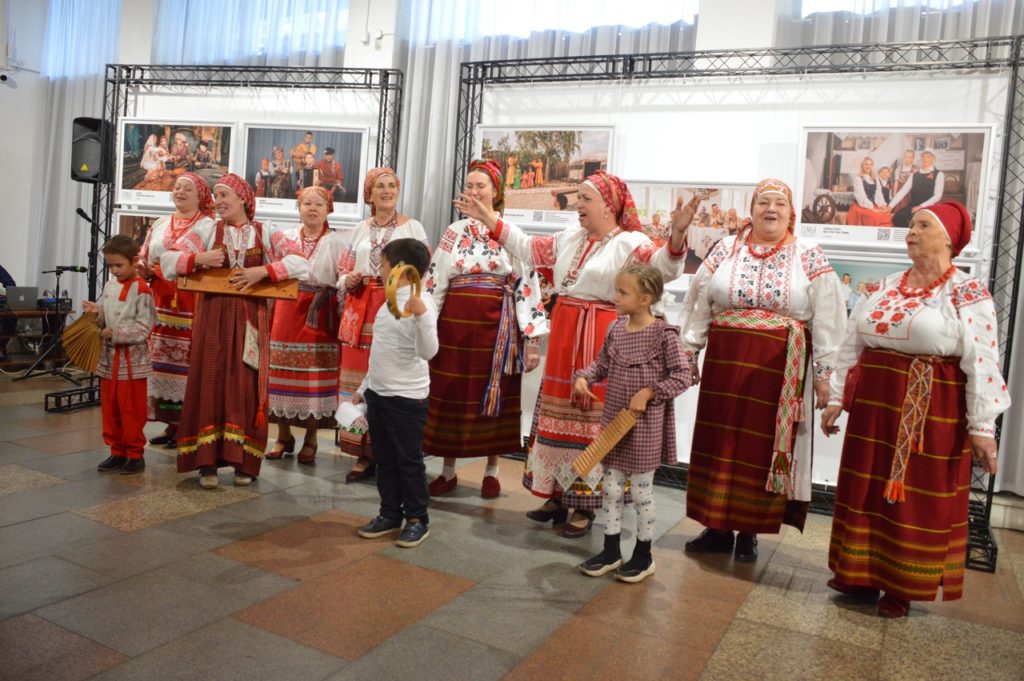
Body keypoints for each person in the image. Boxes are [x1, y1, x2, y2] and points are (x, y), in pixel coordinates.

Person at [455, 170, 696, 538]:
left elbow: (664, 269)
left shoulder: (630, 243)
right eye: (579, 198)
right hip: (568, 331)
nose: (577, 204)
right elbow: (527, 248)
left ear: (609, 205)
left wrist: (677, 234)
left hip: (601, 335)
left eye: (585, 199)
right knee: (556, 410)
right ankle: (556, 494)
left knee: (591, 418)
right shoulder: (571, 237)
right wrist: (487, 216)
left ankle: (585, 505)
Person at [821, 201, 1008, 618]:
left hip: (930, 409)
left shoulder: (966, 292)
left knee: (911, 497)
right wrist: (836, 397)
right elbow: (852, 342)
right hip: (875, 404)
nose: (912, 231)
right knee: (867, 487)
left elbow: (982, 361)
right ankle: (858, 573)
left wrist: (982, 426)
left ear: (949, 238)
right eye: (910, 225)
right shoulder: (886, 284)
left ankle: (900, 585)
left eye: (924, 225)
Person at [679, 179, 846, 562]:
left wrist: (825, 374)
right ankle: (716, 525)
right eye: (763, 203)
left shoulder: (809, 254)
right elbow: (699, 302)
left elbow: (828, 316)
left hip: (779, 369)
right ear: (751, 210)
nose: (771, 210)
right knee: (721, 444)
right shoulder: (726, 248)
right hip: (725, 364)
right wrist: (688, 352)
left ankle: (750, 529)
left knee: (761, 447)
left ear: (790, 214)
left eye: (780, 204)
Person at [162, 173, 308, 489]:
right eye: (216, 195)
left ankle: (245, 463)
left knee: (246, 383)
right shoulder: (206, 229)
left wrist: (263, 271)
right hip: (212, 317)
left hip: (250, 320)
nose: (219, 201)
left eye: (225, 194)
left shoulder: (264, 231)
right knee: (210, 381)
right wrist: (199, 258)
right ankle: (207, 463)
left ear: (243, 198)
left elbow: (301, 263)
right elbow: (167, 261)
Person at [423, 160, 548, 500]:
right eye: (470, 185)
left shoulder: (509, 233)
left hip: (499, 330)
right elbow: (435, 282)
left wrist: (532, 340)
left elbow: (527, 285)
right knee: (452, 394)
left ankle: (491, 472)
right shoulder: (454, 231)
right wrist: (425, 327)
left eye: (482, 186)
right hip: (455, 331)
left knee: (496, 396)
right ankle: (447, 471)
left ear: (496, 192)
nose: (475, 192)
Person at [573, 264, 692, 583]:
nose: (616, 297)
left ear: (645, 298)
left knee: (641, 493)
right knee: (610, 488)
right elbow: (601, 364)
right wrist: (584, 377)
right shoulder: (615, 329)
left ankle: (644, 555)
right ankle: (611, 551)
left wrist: (651, 391)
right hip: (615, 422)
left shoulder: (664, 334)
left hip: (645, 426)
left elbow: (683, 375)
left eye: (622, 292)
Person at [336, 168, 429, 482]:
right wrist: (347, 279)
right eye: (380, 187)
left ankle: (385, 450)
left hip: (396, 305)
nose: (387, 191)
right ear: (369, 194)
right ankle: (360, 453)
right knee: (357, 381)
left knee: (387, 378)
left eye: (392, 185)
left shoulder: (413, 227)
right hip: (361, 307)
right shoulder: (360, 229)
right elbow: (343, 270)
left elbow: (425, 270)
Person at [353, 238, 438, 548]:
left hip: (406, 399)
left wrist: (421, 317)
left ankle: (418, 519)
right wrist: (364, 388)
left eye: (386, 264)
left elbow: (429, 351)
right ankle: (390, 513)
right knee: (385, 460)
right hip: (379, 395)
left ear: (402, 269)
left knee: (408, 462)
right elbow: (381, 351)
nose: (382, 269)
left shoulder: (422, 302)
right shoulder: (388, 302)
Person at [266, 187, 348, 464]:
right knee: (280, 370)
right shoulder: (286, 238)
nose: (312, 209)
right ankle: (283, 435)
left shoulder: (337, 242)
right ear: (298, 208)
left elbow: (343, 279)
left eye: (319, 204)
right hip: (286, 309)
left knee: (314, 376)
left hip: (319, 313)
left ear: (328, 210)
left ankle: (311, 439)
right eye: (307, 204)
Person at [137, 173, 216, 449]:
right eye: (177, 187)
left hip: (190, 299)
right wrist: (144, 270)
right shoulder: (160, 223)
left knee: (186, 364)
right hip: (159, 298)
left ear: (200, 196)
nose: (180, 192)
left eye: (187, 189)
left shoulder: (208, 225)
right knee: (160, 362)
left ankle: (186, 424)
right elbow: (145, 255)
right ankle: (170, 424)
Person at [84, 235, 156, 476]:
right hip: (109, 359)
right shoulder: (110, 285)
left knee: (130, 408)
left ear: (135, 261)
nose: (114, 271)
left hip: (131, 361)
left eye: (119, 265)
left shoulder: (143, 290)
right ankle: (117, 451)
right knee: (111, 406)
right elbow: (108, 313)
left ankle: (135, 454)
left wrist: (116, 333)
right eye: (110, 266)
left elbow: (144, 327)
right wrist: (97, 312)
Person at [889, 148, 944, 227]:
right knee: (898, 217)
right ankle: (904, 238)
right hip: (913, 205)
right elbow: (902, 191)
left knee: (916, 219)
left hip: (930, 206)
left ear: (933, 159)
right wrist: (890, 206)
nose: (925, 159)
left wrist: (921, 206)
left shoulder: (939, 174)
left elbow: (937, 196)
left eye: (928, 157)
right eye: (923, 157)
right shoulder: (914, 175)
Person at [847, 157, 892, 227]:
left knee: (887, 216)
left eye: (870, 164)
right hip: (861, 206)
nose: (868, 166)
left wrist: (882, 204)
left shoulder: (875, 179)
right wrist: (872, 209)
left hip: (872, 205)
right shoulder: (858, 179)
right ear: (862, 166)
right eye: (866, 164)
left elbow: (879, 194)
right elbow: (861, 198)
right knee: (875, 217)